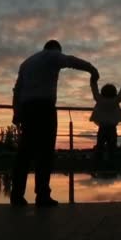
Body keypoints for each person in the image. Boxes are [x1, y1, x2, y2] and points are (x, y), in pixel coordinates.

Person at [11, 40, 99, 207]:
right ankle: (42, 196)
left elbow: (17, 89)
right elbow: (72, 61)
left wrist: (16, 112)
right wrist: (92, 69)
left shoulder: (27, 62)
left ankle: (16, 195)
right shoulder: (52, 55)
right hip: (44, 108)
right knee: (45, 152)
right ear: (56, 49)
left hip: (27, 109)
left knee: (24, 153)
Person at [90, 78, 121, 162]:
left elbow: (94, 91)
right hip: (112, 128)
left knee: (100, 146)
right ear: (114, 92)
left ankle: (97, 163)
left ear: (103, 92)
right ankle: (112, 164)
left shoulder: (99, 99)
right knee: (112, 148)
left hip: (102, 128)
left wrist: (93, 81)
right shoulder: (116, 100)